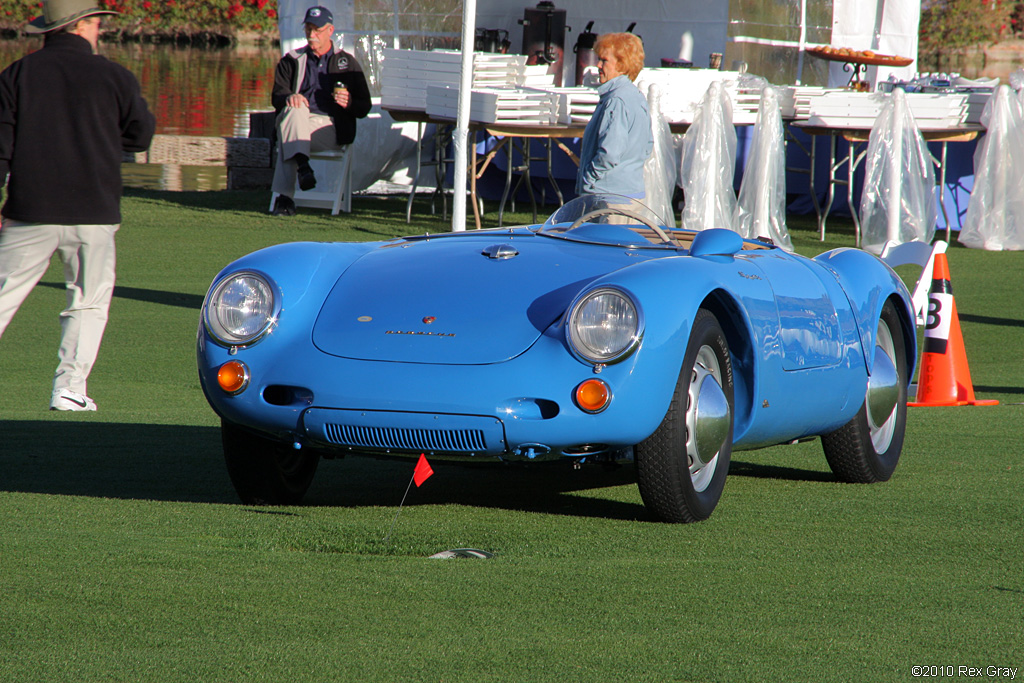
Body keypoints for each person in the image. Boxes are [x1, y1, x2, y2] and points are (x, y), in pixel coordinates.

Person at [0, 0, 155, 412]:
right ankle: (69, 389)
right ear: (82, 25)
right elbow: (140, 136)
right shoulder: (115, 76)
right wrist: (99, 139)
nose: (100, 29)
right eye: (97, 22)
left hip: (30, 208)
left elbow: (1, 149)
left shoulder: (17, 74)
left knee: (1, 294)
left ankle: (70, 389)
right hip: (94, 210)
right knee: (87, 302)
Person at [269, 6, 372, 216]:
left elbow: (364, 107)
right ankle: (303, 165)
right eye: (308, 29)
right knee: (293, 109)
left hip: (329, 127)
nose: (311, 35)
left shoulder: (347, 63)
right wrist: (290, 97)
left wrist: (350, 102)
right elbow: (277, 97)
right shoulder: (292, 60)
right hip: (297, 121)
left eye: (316, 30)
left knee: (289, 131)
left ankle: (285, 197)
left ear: (330, 30)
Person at [576, 32, 653, 201]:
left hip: (610, 198)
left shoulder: (616, 100)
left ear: (622, 64)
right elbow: (648, 146)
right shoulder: (635, 96)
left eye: (604, 60)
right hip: (630, 194)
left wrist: (589, 179)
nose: (598, 65)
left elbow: (609, 153)